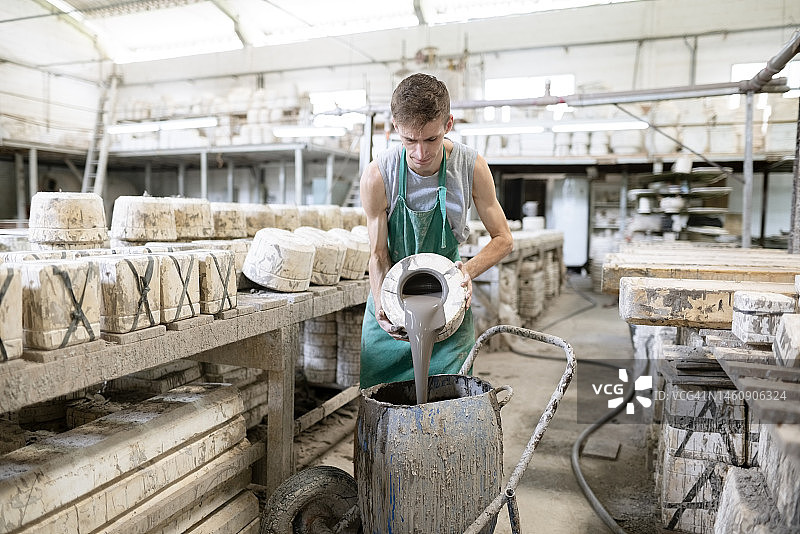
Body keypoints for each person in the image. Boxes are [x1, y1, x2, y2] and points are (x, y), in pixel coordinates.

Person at [359, 72, 513, 389]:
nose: (420, 153)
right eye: (409, 141)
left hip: (446, 300)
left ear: (448, 124)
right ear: (395, 128)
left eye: (431, 139)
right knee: (380, 398)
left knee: (448, 395)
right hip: (393, 296)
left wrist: (466, 272)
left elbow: (503, 239)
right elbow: (378, 254)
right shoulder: (379, 175)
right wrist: (382, 306)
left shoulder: (470, 168)